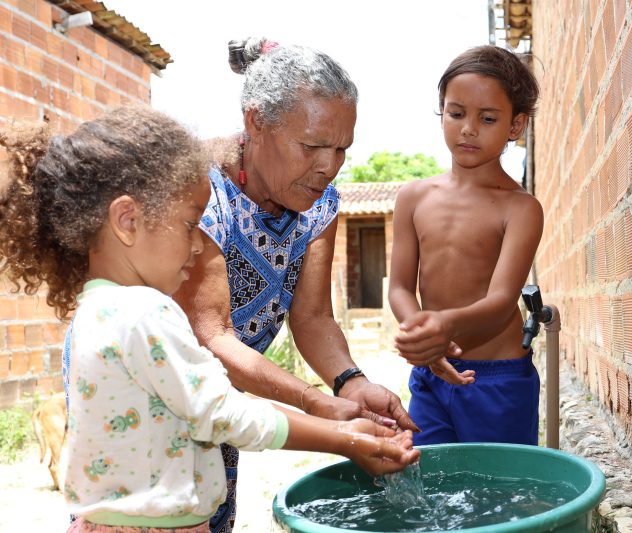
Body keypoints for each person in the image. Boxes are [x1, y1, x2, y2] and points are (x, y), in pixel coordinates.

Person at [0, 106, 419, 533]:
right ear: (128, 221)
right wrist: (343, 439)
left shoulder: (97, 309)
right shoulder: (146, 314)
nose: (200, 245)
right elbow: (222, 412)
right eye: (189, 226)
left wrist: (331, 406)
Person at [170, 38, 418, 532]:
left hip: (229, 401)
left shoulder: (317, 204)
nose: (329, 166)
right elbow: (211, 338)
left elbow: (313, 317)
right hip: (161, 394)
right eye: (312, 146)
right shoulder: (196, 192)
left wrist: (353, 383)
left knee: (212, 516)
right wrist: (315, 404)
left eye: (342, 148)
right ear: (255, 121)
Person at [388, 45, 544, 446]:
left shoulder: (520, 208)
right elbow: (401, 287)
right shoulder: (413, 197)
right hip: (431, 374)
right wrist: (421, 334)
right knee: (431, 485)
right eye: (456, 113)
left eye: (487, 118)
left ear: (515, 125)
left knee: (502, 494)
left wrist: (444, 326)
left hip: (497, 380)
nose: (468, 128)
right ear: (442, 112)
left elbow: (500, 301)